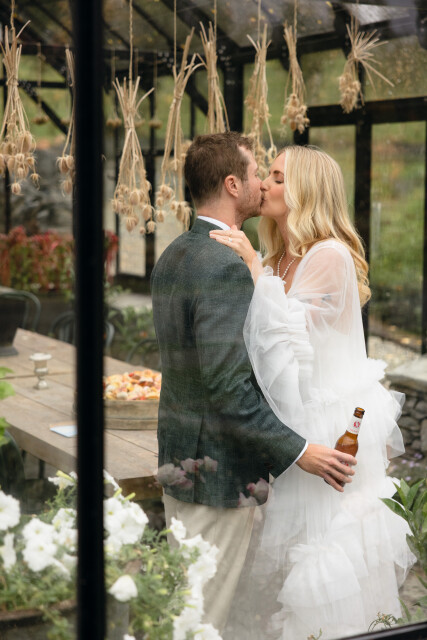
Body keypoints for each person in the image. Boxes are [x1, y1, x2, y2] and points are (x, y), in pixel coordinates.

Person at [150, 133, 357, 635]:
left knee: (187, 604)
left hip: (181, 458)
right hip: (214, 472)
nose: (262, 182)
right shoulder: (225, 265)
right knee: (200, 619)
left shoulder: (176, 251)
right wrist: (298, 451)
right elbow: (229, 387)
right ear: (231, 184)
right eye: (257, 172)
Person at [209, 144, 415, 640]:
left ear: (306, 192)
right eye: (268, 174)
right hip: (291, 420)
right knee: (287, 553)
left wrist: (252, 267)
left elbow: (289, 341)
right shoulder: (279, 257)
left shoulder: (328, 255)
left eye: (279, 178)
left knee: (322, 550)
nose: (265, 184)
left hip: (327, 423)